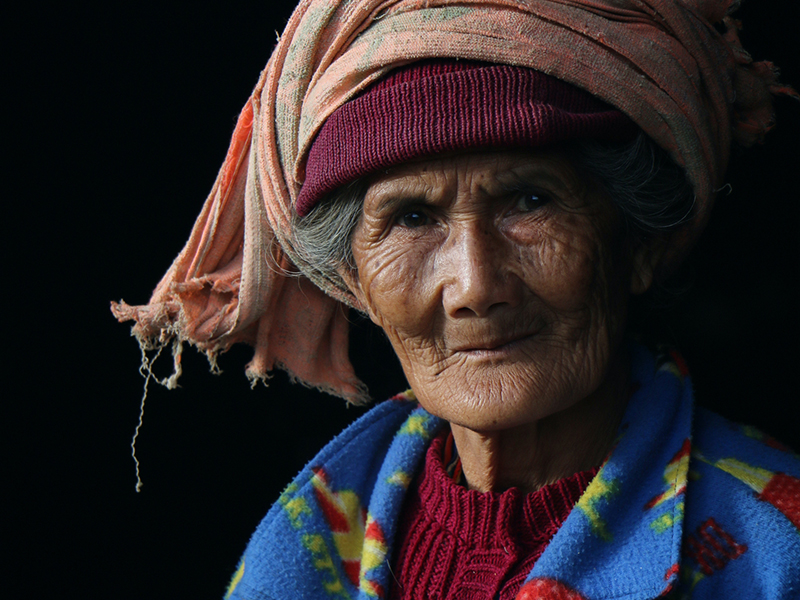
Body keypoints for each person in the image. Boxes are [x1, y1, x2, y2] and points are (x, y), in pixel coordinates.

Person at [112, 0, 800, 598]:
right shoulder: (302, 545)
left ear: (638, 245)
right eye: (411, 218)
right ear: (356, 283)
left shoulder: (779, 548)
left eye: (530, 201)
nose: (475, 286)